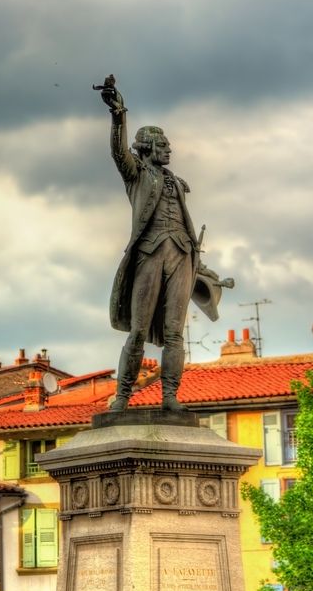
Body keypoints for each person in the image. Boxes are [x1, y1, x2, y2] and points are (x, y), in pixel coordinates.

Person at [97, 75, 226, 412]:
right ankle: (122, 397)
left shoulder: (176, 182)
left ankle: (171, 396)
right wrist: (118, 114)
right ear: (150, 147)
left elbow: (184, 220)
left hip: (182, 254)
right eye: (164, 145)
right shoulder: (137, 174)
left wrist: (203, 267)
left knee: (174, 333)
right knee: (138, 330)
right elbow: (117, 151)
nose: (170, 149)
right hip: (150, 253)